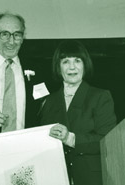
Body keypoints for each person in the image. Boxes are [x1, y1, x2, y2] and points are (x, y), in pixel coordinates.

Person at [39, 40, 117, 185]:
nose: (72, 67)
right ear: (58, 67)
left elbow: (107, 141)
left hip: (91, 179)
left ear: (85, 65)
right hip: (56, 177)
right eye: (65, 62)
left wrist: (70, 138)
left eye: (77, 60)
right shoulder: (48, 101)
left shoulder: (100, 97)